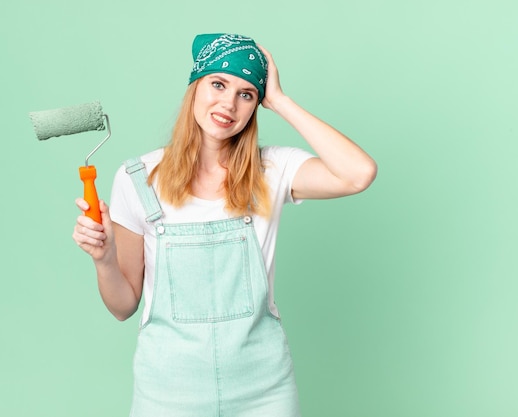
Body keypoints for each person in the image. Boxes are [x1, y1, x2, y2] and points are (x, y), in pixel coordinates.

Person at [72, 33, 377, 417]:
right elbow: (122, 306)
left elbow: (358, 174)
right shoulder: (138, 177)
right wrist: (104, 258)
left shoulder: (272, 170)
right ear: (195, 87)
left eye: (247, 94)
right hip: (167, 392)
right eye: (218, 84)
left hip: (264, 390)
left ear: (256, 105)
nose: (229, 103)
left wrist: (280, 101)